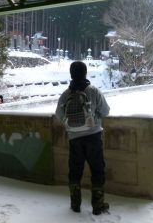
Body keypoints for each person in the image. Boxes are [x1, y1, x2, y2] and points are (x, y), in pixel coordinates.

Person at [55, 61, 110, 215]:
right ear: (85, 73)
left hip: (74, 138)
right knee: (97, 170)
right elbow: (105, 111)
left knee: (75, 171)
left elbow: (59, 115)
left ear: (71, 74)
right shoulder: (93, 91)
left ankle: (75, 204)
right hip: (93, 136)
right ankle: (98, 206)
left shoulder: (66, 94)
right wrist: (94, 116)